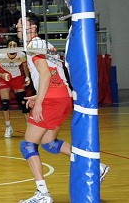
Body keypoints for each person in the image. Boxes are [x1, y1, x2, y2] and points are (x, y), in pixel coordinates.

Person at [16, 13, 109, 203]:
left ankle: (43, 194)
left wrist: (40, 102)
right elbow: (55, 74)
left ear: (32, 27)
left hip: (51, 99)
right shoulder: (45, 45)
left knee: (27, 145)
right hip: (63, 96)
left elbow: (46, 75)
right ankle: (96, 166)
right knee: (49, 143)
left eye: (21, 23)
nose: (16, 26)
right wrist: (38, 96)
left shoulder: (33, 45)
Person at [0, 39, 30, 138]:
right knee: (5, 103)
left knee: (23, 102)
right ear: (7, 46)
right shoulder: (0, 55)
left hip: (17, 78)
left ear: (17, 47)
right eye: (10, 45)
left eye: (14, 45)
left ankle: (29, 127)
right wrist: (1, 75)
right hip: (4, 77)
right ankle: (8, 127)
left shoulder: (21, 55)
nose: (12, 46)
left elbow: (25, 66)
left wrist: (27, 77)